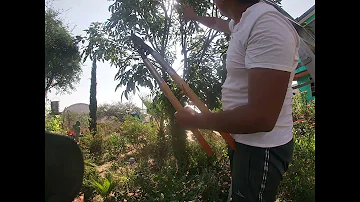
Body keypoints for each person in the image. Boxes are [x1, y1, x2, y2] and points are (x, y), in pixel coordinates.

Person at [175, 0, 298, 201]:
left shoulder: (267, 25)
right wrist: (194, 17)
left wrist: (196, 120)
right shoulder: (243, 22)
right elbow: (218, 23)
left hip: (260, 148)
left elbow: (262, 118)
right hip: (244, 141)